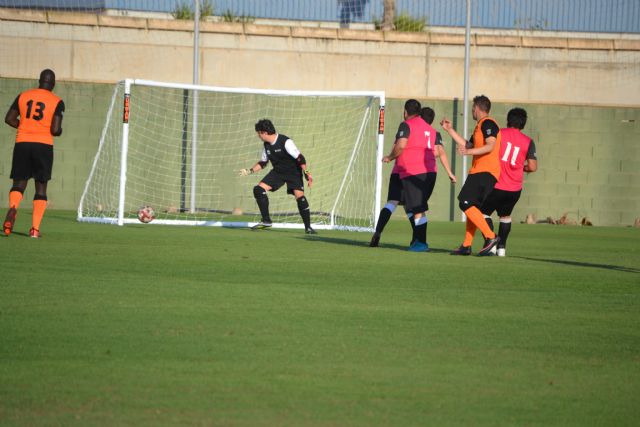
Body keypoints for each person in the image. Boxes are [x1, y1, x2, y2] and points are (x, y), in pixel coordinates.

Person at [3, 69, 65, 238]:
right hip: (43, 145)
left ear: (39, 81)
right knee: (41, 186)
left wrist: (25, 127)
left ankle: (13, 208)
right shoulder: (57, 101)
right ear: (53, 84)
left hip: (22, 143)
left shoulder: (23, 95)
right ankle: (35, 230)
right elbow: (55, 129)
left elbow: (9, 118)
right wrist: (58, 131)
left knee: (19, 182)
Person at [440, 95, 501, 256]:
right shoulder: (480, 125)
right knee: (471, 206)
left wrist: (468, 152)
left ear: (478, 108)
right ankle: (466, 245)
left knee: (464, 203)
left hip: (485, 171)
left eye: (473, 107)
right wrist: (449, 130)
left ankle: (491, 236)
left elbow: (490, 146)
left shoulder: (488, 123)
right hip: (480, 171)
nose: (472, 110)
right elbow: (468, 144)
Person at [239, 119, 316, 234]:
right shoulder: (266, 145)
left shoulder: (285, 141)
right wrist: (249, 171)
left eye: (258, 133)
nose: (258, 135)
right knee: (258, 190)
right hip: (278, 172)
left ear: (264, 132)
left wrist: (307, 173)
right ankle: (266, 221)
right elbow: (263, 162)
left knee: (300, 198)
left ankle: (308, 227)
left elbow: (300, 158)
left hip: (293, 172)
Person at [381, 99, 437, 252]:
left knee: (417, 209)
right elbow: (436, 151)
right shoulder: (430, 129)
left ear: (405, 112)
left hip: (415, 172)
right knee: (417, 208)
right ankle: (418, 241)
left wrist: (390, 157)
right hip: (431, 172)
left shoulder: (406, 125)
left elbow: (400, 145)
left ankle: (421, 243)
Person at [481, 107, 537, 257]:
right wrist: (520, 167)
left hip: (496, 184)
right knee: (505, 216)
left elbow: (487, 149)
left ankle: (490, 244)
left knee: (483, 213)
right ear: (523, 123)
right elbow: (532, 166)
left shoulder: (499, 134)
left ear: (508, 120)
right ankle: (502, 249)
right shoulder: (528, 141)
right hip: (514, 188)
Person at [420, 107, 457, 184]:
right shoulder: (435, 133)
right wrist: (450, 173)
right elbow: (440, 152)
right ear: (432, 120)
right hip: (430, 173)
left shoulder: (414, 131)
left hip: (416, 171)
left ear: (420, 118)